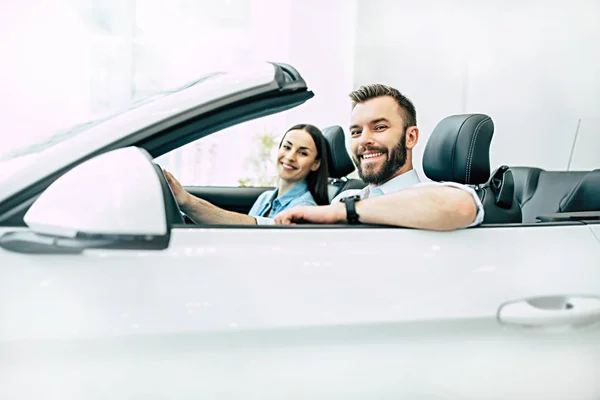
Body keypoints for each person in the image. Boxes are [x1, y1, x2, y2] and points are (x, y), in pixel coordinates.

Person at [273, 84, 485, 231]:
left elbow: (462, 206)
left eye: (379, 127)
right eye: (356, 132)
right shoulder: (345, 199)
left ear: (410, 137)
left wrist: (345, 212)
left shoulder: (430, 196)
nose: (364, 140)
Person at [163, 124, 330, 225]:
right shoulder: (265, 198)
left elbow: (255, 229)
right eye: (286, 147)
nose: (290, 157)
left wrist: (187, 201)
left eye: (302, 153)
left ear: (316, 164)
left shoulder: (305, 210)